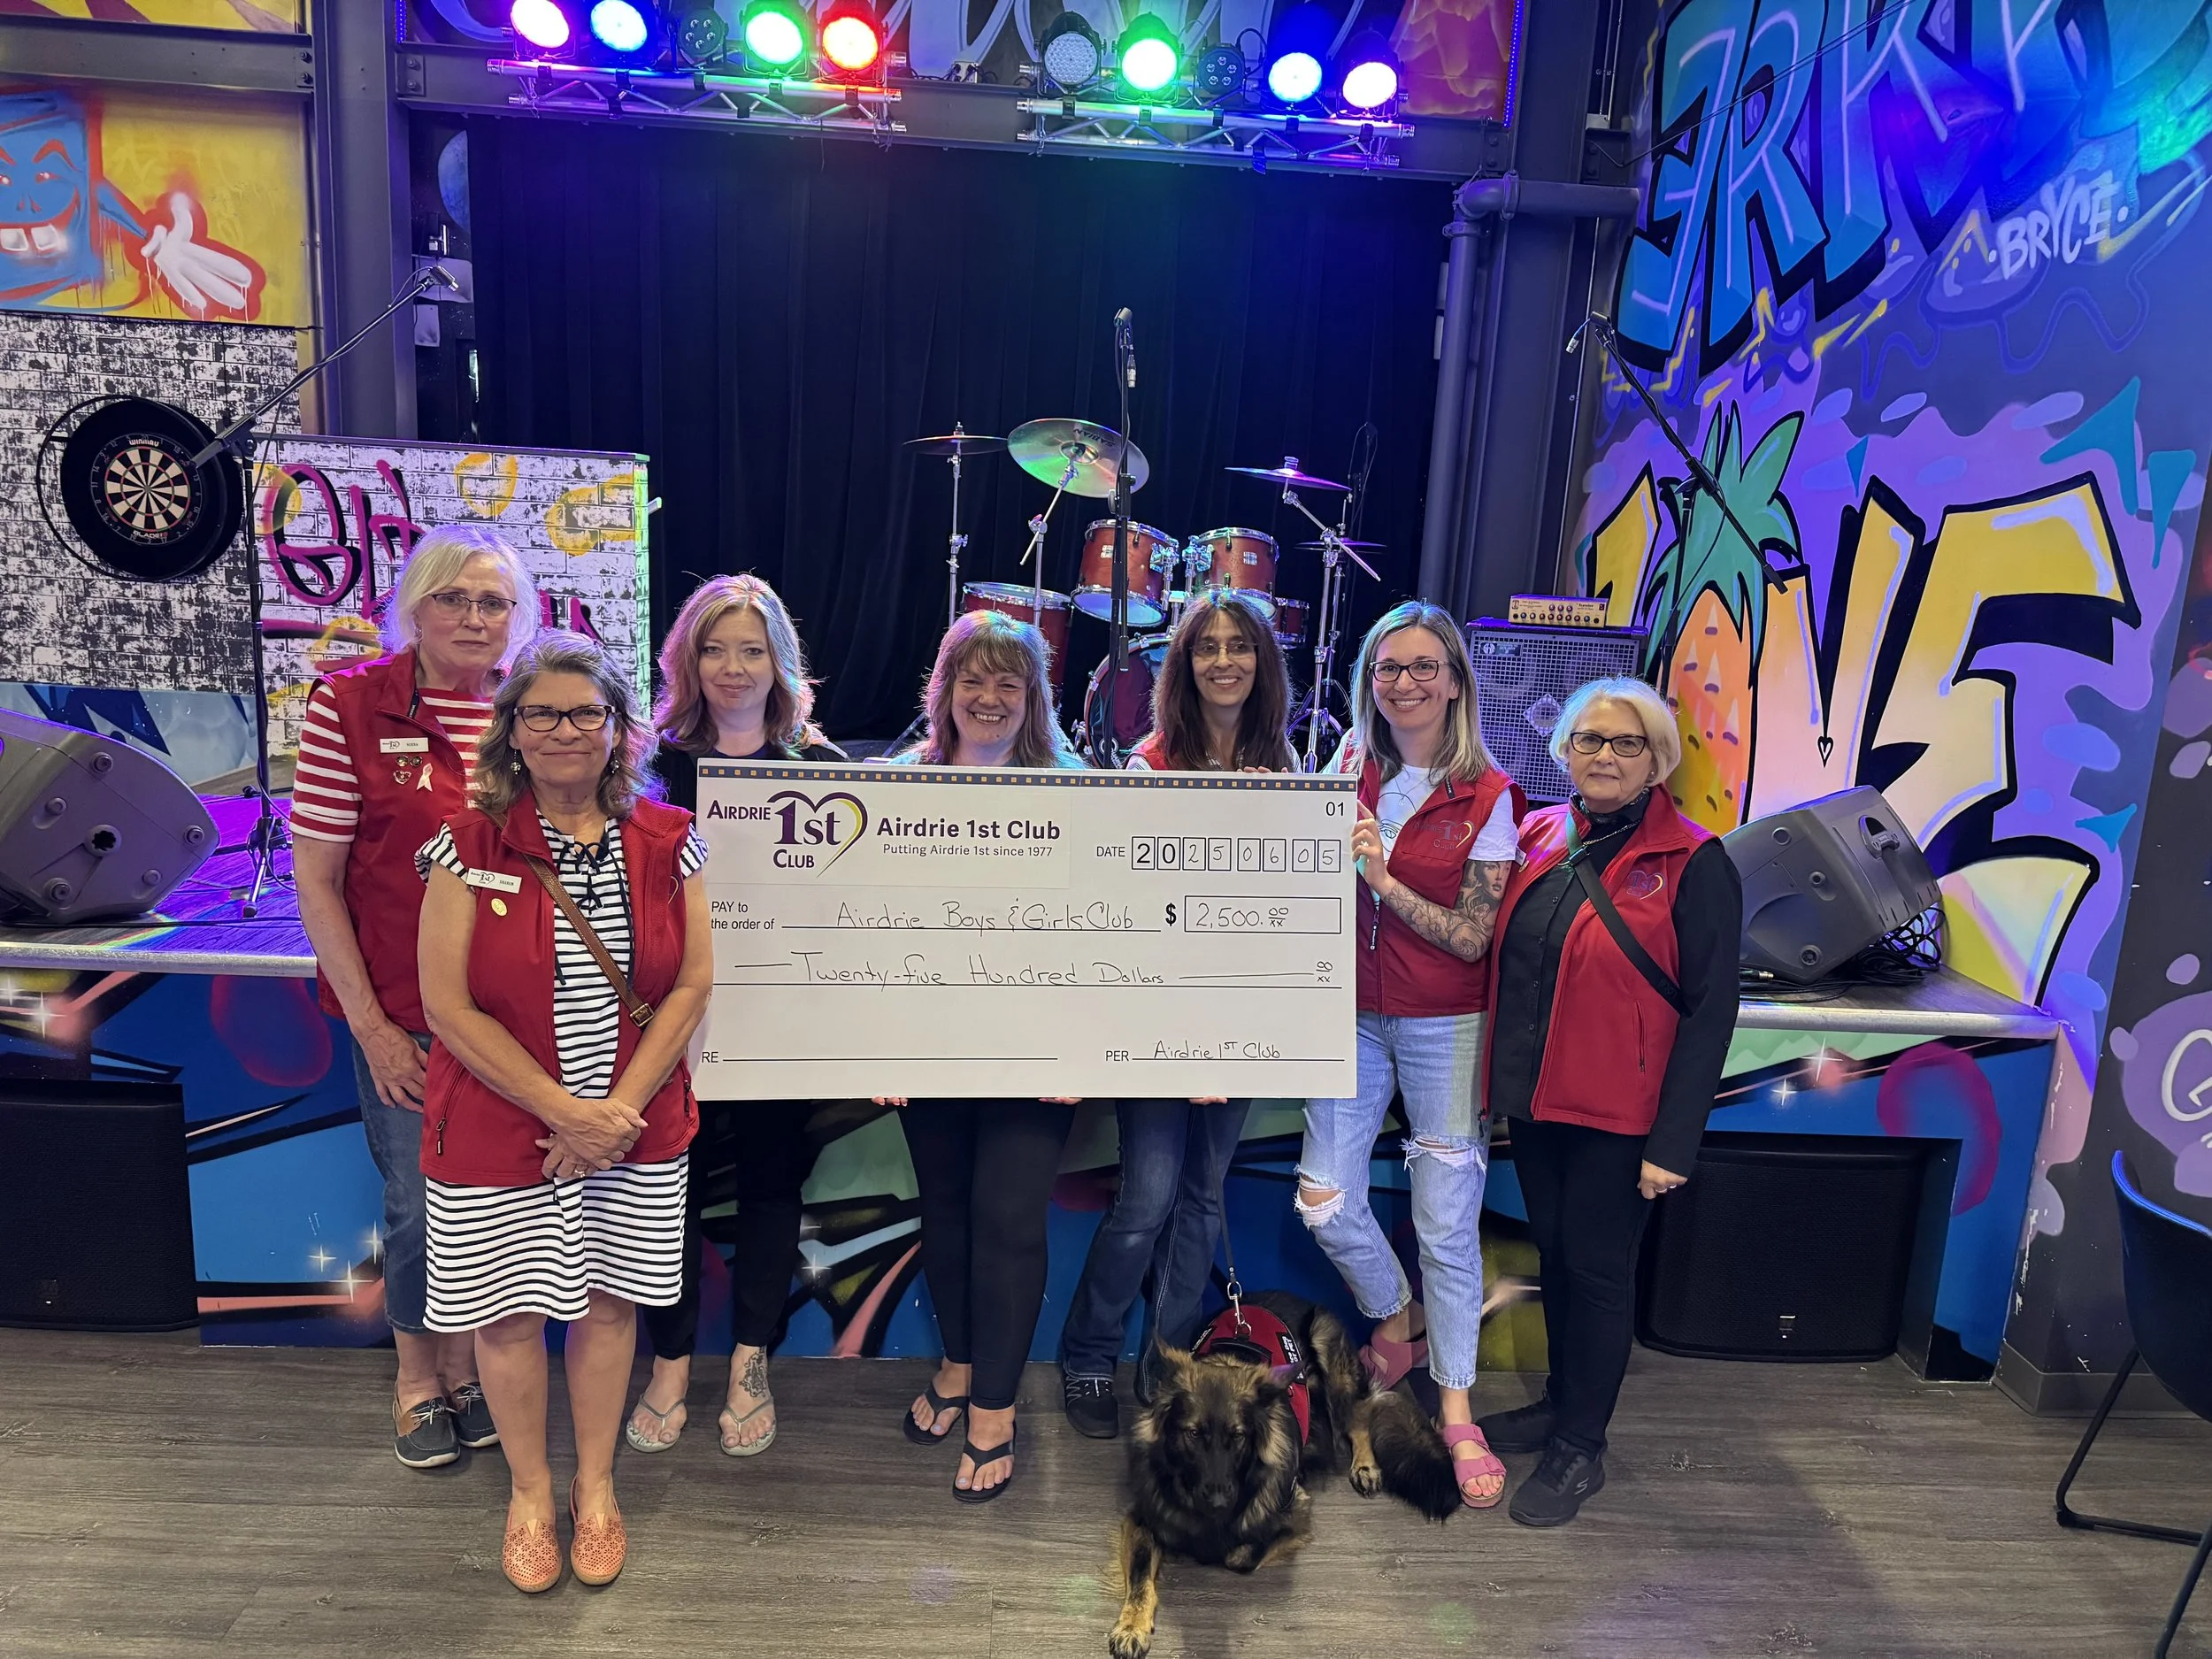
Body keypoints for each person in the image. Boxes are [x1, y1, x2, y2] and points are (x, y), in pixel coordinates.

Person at [416, 632, 713, 1593]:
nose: (565, 730)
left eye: (586, 712)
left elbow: (692, 986)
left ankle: (597, 1487)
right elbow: (445, 1007)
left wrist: (613, 1115)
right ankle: (531, 1495)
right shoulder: (464, 847)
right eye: (541, 712)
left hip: (632, 1133)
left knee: (605, 1306)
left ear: (621, 728)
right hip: (504, 1131)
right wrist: (562, 1113)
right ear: (511, 733)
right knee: (505, 1318)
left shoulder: (670, 839)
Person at [292, 525, 538, 1469]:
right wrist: (372, 1029)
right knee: (421, 1204)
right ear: (415, 607)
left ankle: (474, 1374)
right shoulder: (350, 708)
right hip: (403, 1014)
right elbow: (316, 882)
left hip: (519, 1019)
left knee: (495, 1205)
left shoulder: (533, 708)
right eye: (454, 599)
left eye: (494, 602)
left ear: (518, 619)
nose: (474, 618)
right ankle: (415, 1381)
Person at [1476, 677, 1741, 1527]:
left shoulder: (1696, 861)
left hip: (1623, 1121)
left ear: (1657, 759)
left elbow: (1711, 1013)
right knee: (1555, 1256)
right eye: (1589, 739)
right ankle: (1561, 1402)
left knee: (1595, 1273)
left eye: (1626, 743)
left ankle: (1580, 1447)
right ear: (1564, 749)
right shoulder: (1540, 831)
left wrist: (1674, 1143)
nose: (1604, 756)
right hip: (1540, 1102)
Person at [1297, 601, 1521, 1509]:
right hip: (1345, 1015)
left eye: (1425, 667)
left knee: (1445, 1223)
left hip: (1444, 1024)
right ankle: (1399, 1315)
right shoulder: (1346, 767)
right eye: (1389, 668)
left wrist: (1382, 878)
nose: (1405, 683)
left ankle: (1457, 1411)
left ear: (1456, 682)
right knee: (1323, 1202)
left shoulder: (1489, 794)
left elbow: (1472, 937)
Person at [1060, 590, 1295, 1437]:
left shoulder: (1286, 765)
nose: (1224, 660)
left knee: (1202, 1199)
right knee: (1148, 1197)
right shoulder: (1148, 765)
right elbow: (1133, 908)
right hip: (1161, 1026)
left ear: (1262, 663)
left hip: (1243, 1026)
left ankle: (1167, 1366)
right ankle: (1088, 1354)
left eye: (1240, 646)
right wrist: (1186, 1044)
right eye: (1208, 648)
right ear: (1184, 666)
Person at [626, 574, 843, 1459]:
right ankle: (670, 1361)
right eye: (714, 648)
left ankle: (752, 1359)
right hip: (662, 1030)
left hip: (774, 1033)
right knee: (663, 1198)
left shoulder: (821, 772)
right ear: (687, 659)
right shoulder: (645, 763)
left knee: (769, 1194)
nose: (732, 667)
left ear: (779, 663)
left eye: (751, 649)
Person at [879, 608, 1086, 1502]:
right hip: (925, 1049)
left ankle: (994, 1410)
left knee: (1008, 1222)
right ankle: (960, 1366)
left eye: (1010, 682)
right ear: (946, 688)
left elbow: (1098, 931)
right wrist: (870, 1054)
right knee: (947, 1215)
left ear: (1034, 696)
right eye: (975, 678)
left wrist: (1082, 1050)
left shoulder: (1077, 788)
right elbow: (866, 930)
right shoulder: (898, 784)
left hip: (1034, 1056)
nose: (990, 697)